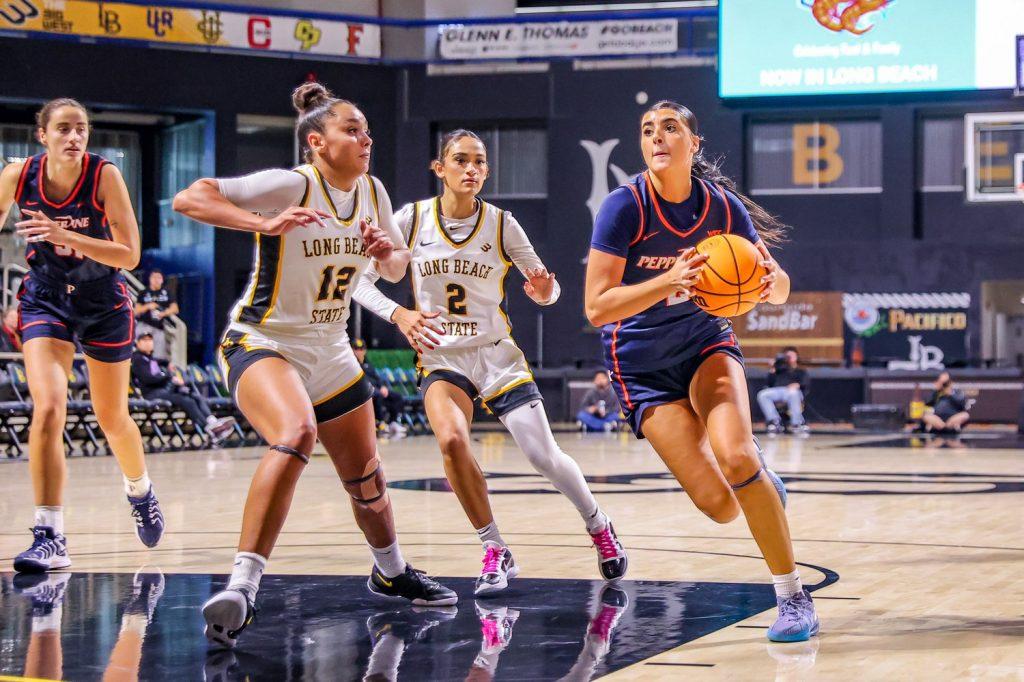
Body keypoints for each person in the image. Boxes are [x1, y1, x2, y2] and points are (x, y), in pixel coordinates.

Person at [173, 82, 456, 649]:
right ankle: (242, 587)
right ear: (317, 143)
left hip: (330, 350)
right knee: (296, 433)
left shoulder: (373, 192)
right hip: (265, 339)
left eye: (367, 130)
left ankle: (391, 571)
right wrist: (262, 223)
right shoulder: (291, 184)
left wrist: (387, 252)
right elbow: (190, 199)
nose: (366, 139)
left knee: (368, 481)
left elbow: (398, 268)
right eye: (352, 130)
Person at [354, 129, 627, 596]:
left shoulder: (502, 224)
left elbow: (548, 288)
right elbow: (359, 282)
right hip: (442, 355)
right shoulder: (412, 220)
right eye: (460, 160)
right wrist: (399, 314)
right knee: (453, 442)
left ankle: (598, 523)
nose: (472, 169)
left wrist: (545, 292)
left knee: (544, 456)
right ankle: (495, 547)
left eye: (479, 162)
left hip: (496, 355)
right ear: (439, 169)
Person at [584, 100, 818, 642]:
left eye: (670, 128)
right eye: (647, 130)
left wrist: (767, 283)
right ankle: (759, 485)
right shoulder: (625, 207)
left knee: (738, 455)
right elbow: (596, 306)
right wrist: (670, 282)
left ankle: (792, 597)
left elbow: (778, 286)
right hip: (639, 365)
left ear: (694, 144)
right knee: (719, 505)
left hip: (705, 341)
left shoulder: (723, 207)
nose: (657, 137)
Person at [0, 98, 164, 573]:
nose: (74, 137)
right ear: (43, 136)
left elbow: (129, 255)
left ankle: (140, 490)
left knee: (111, 417)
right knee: (49, 407)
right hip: (45, 298)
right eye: (64, 129)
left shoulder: (104, 176)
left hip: (102, 300)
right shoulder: (18, 176)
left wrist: (62, 234)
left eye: (82, 129)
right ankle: (50, 533)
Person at [130, 331, 235, 444]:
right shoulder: (138, 360)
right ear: (138, 343)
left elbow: (161, 362)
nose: (148, 343)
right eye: (144, 340)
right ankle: (210, 429)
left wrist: (168, 365)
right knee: (186, 400)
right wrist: (169, 377)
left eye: (149, 340)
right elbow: (149, 378)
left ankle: (213, 421)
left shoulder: (150, 358)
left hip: (163, 390)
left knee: (195, 396)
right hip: (152, 393)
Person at [352, 338, 407, 438]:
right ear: (352, 350)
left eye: (361, 349)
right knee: (377, 394)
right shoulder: (352, 364)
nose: (359, 351)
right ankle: (380, 422)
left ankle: (393, 422)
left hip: (376, 388)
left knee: (397, 397)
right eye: (356, 349)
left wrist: (382, 386)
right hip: (364, 390)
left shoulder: (367, 363)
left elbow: (376, 377)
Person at [756, 347, 810, 435]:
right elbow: (769, 384)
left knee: (793, 393)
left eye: (791, 356)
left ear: (796, 357)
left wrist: (797, 384)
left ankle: (796, 423)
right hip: (778, 391)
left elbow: (805, 384)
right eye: (787, 356)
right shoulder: (779, 370)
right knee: (763, 394)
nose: (789, 358)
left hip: (793, 392)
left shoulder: (801, 371)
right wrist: (772, 369)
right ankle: (774, 421)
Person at [133, 269, 178, 359]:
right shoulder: (143, 292)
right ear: (150, 279)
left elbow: (175, 309)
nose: (156, 280)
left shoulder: (166, 293)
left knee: (159, 355)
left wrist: (164, 313)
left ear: (162, 280)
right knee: (142, 352)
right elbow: (136, 311)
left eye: (159, 277)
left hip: (158, 327)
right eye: (154, 277)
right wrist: (148, 306)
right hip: (144, 325)